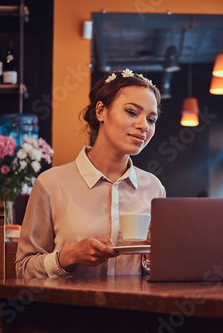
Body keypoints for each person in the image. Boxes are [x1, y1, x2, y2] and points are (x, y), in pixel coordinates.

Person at [16, 69, 165, 278]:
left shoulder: (154, 188)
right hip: (71, 309)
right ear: (101, 111)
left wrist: (153, 259)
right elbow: (23, 270)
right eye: (132, 112)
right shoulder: (51, 184)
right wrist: (67, 257)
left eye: (151, 119)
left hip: (135, 309)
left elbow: (154, 273)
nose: (143, 126)